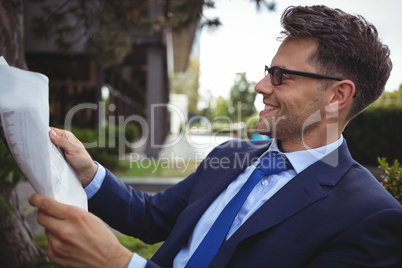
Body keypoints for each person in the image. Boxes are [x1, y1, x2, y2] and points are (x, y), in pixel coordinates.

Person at [29, 5, 402, 268]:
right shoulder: (231, 156)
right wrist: (88, 172)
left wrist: (119, 263)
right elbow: (149, 217)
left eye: (280, 76)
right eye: (267, 71)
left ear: (338, 96)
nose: (260, 86)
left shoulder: (371, 218)